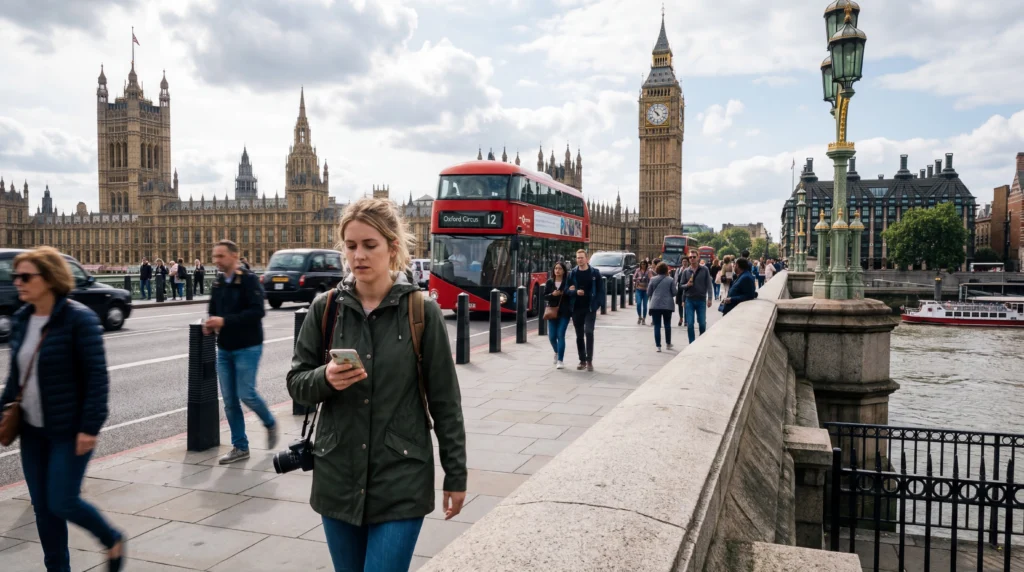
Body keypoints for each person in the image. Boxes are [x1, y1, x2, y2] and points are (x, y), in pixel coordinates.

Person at [287, 197, 467, 572]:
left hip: (400, 477)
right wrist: (326, 378)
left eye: (370, 245)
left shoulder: (421, 312)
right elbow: (297, 383)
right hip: (338, 474)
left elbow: (445, 402)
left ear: (393, 248)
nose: (359, 256)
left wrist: (456, 473)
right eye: (351, 246)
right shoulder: (326, 309)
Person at [0, 247, 126, 571]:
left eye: (25, 276)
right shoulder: (21, 319)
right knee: (43, 510)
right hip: (32, 433)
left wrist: (90, 427)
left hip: (68, 431)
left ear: (49, 278)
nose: (18, 282)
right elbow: (15, 381)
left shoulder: (79, 319)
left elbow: (97, 378)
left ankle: (111, 538)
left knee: (62, 500)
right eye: (16, 276)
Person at [204, 240, 277, 464]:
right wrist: (209, 324)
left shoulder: (249, 280)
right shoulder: (218, 283)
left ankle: (269, 422)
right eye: (214, 256)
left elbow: (257, 312)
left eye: (221, 256)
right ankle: (240, 446)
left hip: (248, 346)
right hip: (225, 349)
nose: (216, 261)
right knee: (229, 401)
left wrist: (224, 321)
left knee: (246, 394)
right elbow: (212, 311)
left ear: (235, 256)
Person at [568, 249, 602, 372]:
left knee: (589, 332)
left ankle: (589, 360)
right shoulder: (572, 273)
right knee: (579, 335)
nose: (580, 260)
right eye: (578, 258)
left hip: (590, 307)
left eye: (582, 257)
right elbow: (567, 290)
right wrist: (574, 291)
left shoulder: (595, 273)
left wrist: (597, 305)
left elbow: (600, 291)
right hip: (576, 307)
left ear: (587, 259)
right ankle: (582, 360)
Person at [675, 252, 715, 344]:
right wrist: (687, 286)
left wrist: (709, 298)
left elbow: (709, 284)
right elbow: (681, 286)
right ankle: (691, 343)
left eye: (694, 257)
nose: (692, 258)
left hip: (701, 300)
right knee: (690, 324)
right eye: (690, 257)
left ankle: (701, 342)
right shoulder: (686, 271)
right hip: (689, 300)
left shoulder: (704, 270)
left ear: (698, 258)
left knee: (702, 323)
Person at [544, 261, 573, 369]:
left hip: (564, 312)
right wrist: (553, 294)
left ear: (564, 270)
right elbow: (545, 296)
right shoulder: (550, 282)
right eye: (556, 268)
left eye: (560, 268)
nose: (557, 270)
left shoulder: (567, 282)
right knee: (552, 336)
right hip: (552, 311)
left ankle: (560, 360)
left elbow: (571, 295)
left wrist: (568, 291)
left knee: (560, 335)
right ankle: (556, 352)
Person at [647, 262, 677, 352]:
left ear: (657, 270)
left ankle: (658, 346)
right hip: (667, 305)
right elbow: (674, 293)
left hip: (655, 305)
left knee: (657, 326)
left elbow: (649, 292)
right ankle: (668, 343)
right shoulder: (670, 280)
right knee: (667, 324)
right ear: (666, 270)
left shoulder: (653, 279)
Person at [632, 260, 654, 325]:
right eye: (641, 264)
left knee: (645, 305)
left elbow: (651, 278)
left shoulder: (648, 271)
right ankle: (639, 316)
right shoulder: (637, 270)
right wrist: (638, 279)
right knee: (638, 303)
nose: (643, 265)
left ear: (646, 264)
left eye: (644, 264)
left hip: (646, 290)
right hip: (638, 289)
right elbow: (633, 278)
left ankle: (644, 318)